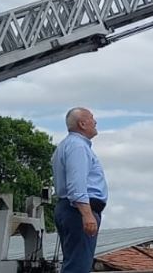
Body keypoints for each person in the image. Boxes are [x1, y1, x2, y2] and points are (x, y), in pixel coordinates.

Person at [52, 107, 108, 273]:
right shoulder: (78, 147)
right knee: (79, 266)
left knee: (75, 262)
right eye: (92, 118)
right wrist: (87, 214)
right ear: (82, 124)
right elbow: (76, 184)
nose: (95, 122)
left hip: (69, 209)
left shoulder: (65, 145)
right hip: (78, 210)